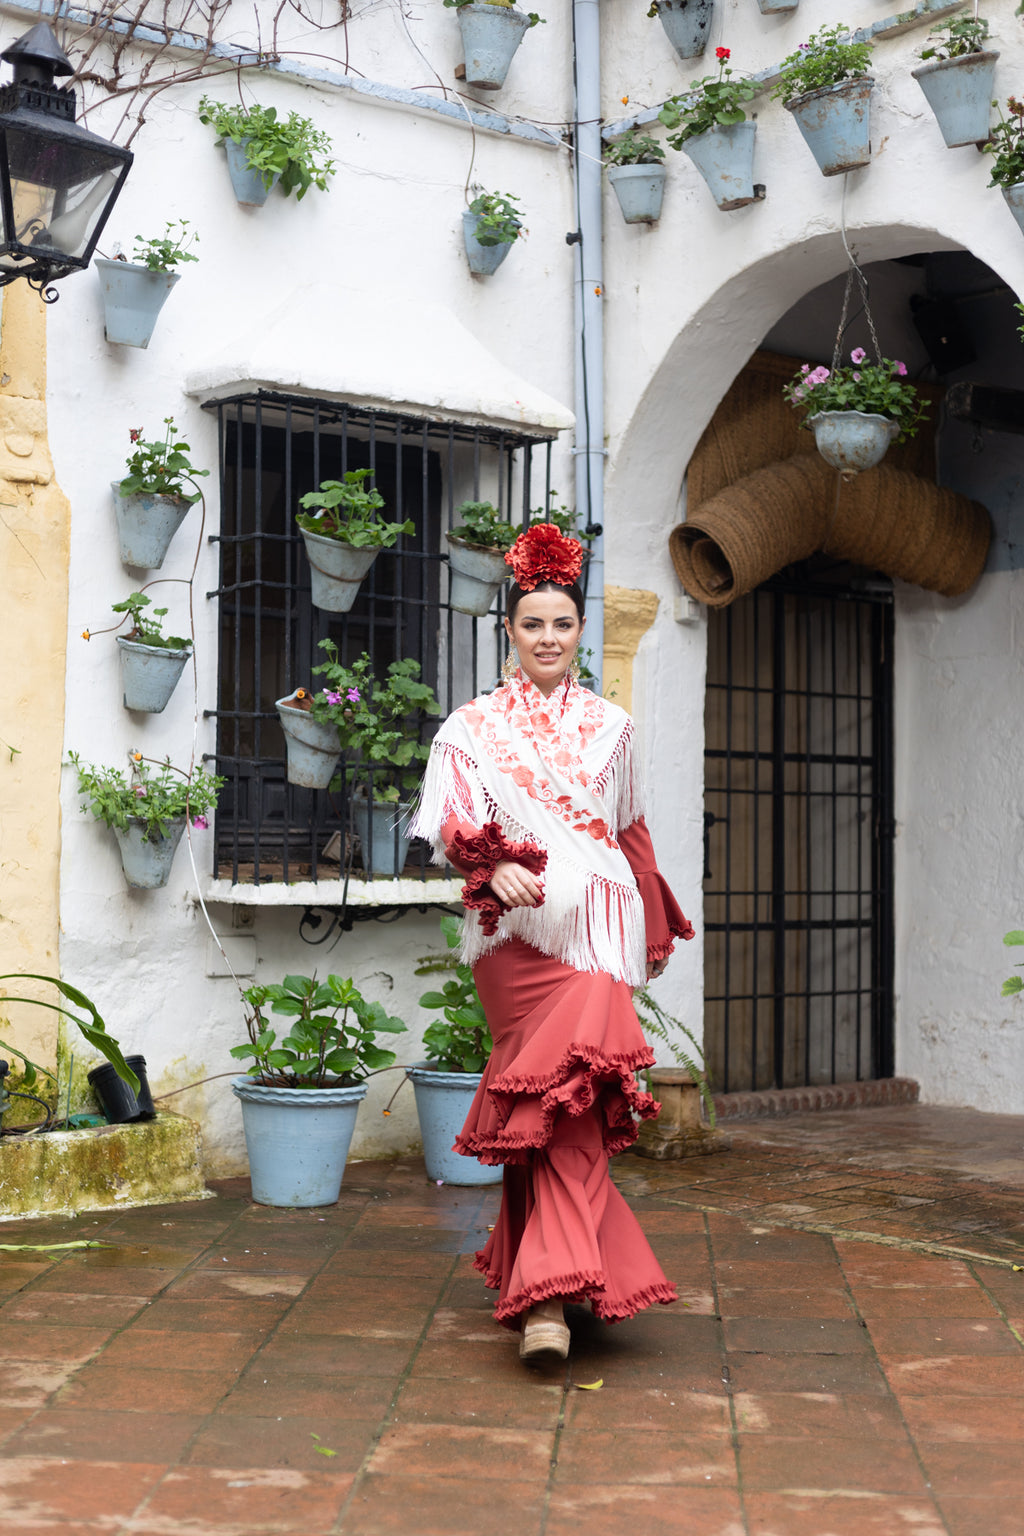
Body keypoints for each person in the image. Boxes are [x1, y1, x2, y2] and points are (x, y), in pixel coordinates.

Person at [410, 521, 694, 1361]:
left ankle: (548, 1307)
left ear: (579, 633)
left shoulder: (615, 730)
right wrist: (489, 864)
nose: (547, 637)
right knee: (540, 1117)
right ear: (509, 632)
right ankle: (566, 1279)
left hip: (597, 941)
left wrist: (650, 926)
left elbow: (633, 835)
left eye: (562, 624)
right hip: (515, 948)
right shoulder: (470, 727)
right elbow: (449, 818)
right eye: (531, 623)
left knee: (570, 1113)